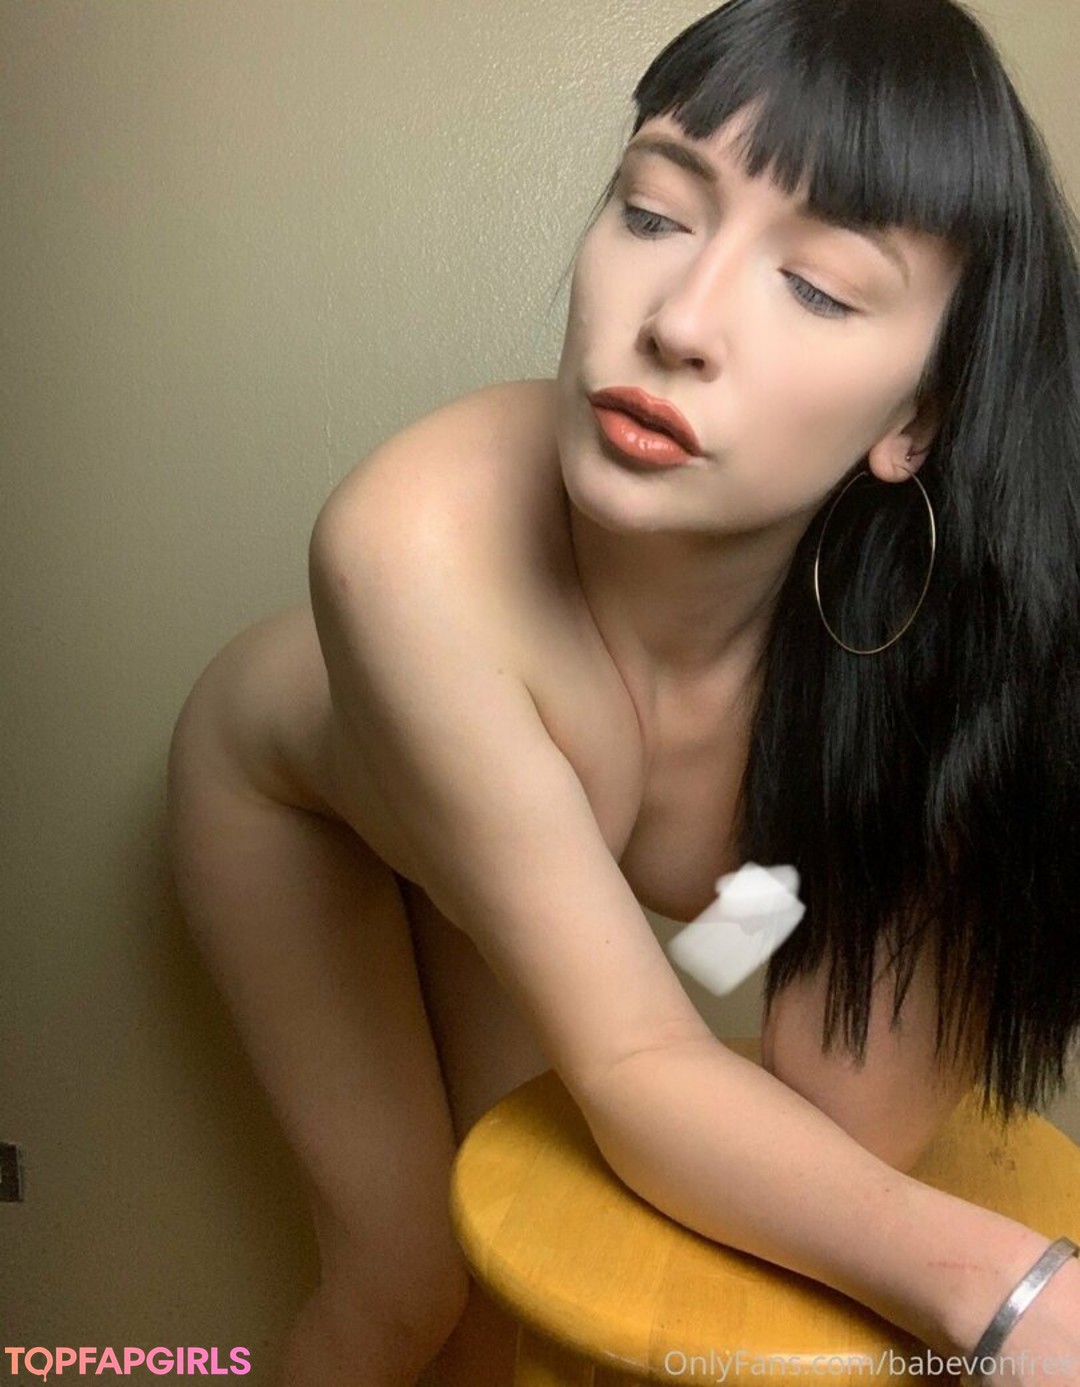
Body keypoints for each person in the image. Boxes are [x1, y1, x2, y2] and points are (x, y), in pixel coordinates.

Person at [165, 0, 1080, 1383]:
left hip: (552, 851)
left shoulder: (916, 645)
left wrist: (967, 763)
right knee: (408, 1283)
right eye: (654, 212)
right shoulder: (411, 547)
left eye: (820, 288)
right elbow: (645, 1065)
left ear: (916, 420)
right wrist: (1014, 1298)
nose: (681, 323)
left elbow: (837, 1109)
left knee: (529, 1294)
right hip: (301, 811)